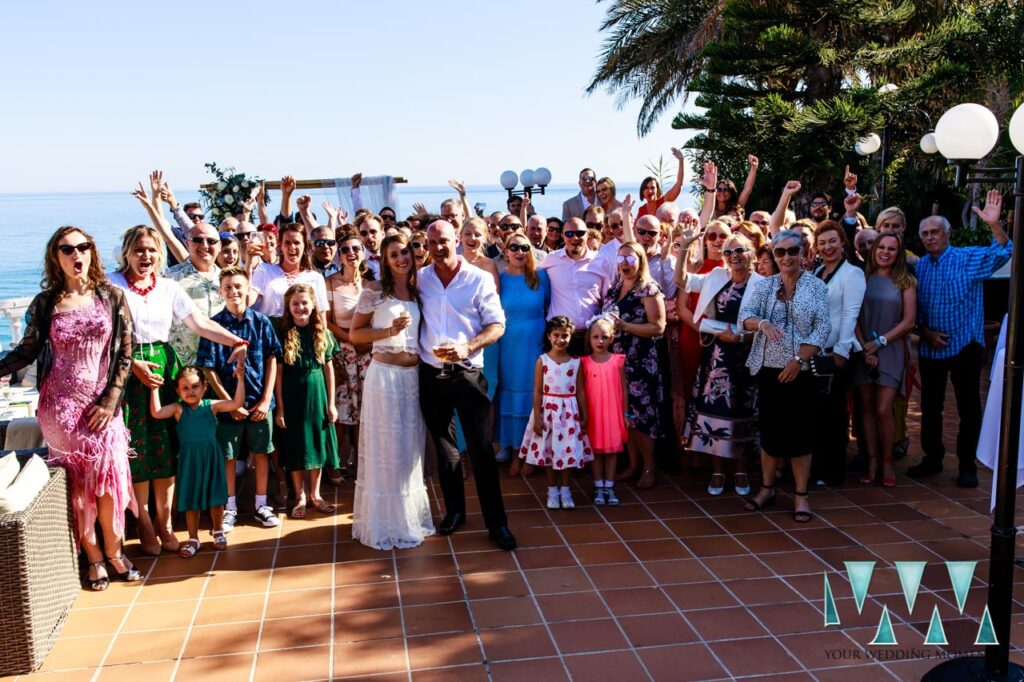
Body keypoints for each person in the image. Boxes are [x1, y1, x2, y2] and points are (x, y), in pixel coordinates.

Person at [0, 226, 140, 590]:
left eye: (83, 247)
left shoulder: (112, 296)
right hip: (60, 408)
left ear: (92, 252)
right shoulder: (45, 304)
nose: (76, 254)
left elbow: (127, 354)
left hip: (102, 407)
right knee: (78, 488)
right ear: (56, 257)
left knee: (109, 481)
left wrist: (110, 401)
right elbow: (25, 352)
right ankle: (93, 559)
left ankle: (114, 551)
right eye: (67, 249)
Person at [111, 225, 248, 556]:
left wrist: (237, 341)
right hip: (127, 368)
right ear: (127, 251)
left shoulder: (169, 288)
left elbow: (199, 323)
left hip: (163, 362)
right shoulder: (112, 285)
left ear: (161, 254)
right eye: (139, 249)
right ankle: (143, 522)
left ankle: (165, 523)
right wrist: (131, 364)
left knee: (167, 447)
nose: (146, 256)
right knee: (136, 450)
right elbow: (106, 334)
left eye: (152, 250)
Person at [418, 219, 515, 550]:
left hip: (467, 373)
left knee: (481, 451)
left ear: (456, 239)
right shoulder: (421, 279)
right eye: (432, 242)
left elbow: (497, 325)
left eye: (444, 240)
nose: (439, 247)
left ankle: (497, 524)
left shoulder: (478, 278)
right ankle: (455, 512)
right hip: (431, 374)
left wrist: (468, 347)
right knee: (445, 449)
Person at [911, 192, 1011, 487]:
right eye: (925, 233)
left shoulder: (968, 258)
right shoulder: (921, 266)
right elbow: (914, 305)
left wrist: (994, 226)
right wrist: (925, 331)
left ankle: (967, 465)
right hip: (932, 347)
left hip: (965, 345)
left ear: (947, 233)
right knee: (930, 407)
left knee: (968, 409)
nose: (930, 237)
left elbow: (1004, 252)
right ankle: (932, 459)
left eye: (935, 232)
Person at [349, 234, 434, 549]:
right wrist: (389, 330)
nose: (402, 259)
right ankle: (384, 523)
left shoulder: (418, 290)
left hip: (412, 378)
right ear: (384, 260)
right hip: (384, 376)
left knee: (408, 450)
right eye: (394, 255)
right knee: (387, 450)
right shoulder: (374, 291)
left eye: (405, 253)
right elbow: (356, 334)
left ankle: (407, 518)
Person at [740, 230, 830, 522]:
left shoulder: (816, 287)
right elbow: (746, 317)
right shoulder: (766, 285)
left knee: (801, 433)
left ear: (803, 253)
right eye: (780, 252)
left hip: (801, 372)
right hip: (768, 370)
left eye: (793, 251)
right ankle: (767, 488)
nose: (787, 257)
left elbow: (823, 329)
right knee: (770, 431)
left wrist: (798, 359)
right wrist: (762, 323)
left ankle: (801, 496)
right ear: (774, 256)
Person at [196, 267, 283, 531]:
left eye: (238, 286)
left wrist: (267, 399)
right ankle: (230, 507)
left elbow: (272, 359)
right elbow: (208, 368)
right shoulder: (213, 325)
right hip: (228, 404)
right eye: (228, 287)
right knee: (229, 456)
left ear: (248, 290)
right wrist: (228, 403)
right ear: (220, 291)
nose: (234, 292)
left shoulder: (261, 322)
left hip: (259, 401)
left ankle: (261, 504)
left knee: (262, 452)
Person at [676, 233, 763, 496]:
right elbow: (682, 281)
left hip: (747, 356)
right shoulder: (716, 276)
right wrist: (683, 249)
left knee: (741, 413)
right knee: (715, 410)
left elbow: (768, 324)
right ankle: (716, 471)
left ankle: (740, 470)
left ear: (752, 253)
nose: (734, 256)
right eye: (728, 252)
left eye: (740, 250)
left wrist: (740, 337)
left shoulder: (762, 285)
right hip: (716, 356)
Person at [150, 365, 245, 557]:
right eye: (185, 388)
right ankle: (193, 538)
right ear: (178, 391)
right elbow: (157, 413)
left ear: (204, 387)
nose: (190, 391)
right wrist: (154, 388)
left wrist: (241, 379)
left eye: (195, 386)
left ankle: (218, 530)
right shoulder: (178, 409)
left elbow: (236, 403)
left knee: (216, 498)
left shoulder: (211, 406)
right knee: (191, 499)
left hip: (211, 458)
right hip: (189, 462)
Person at [852, 234, 917, 487]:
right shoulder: (863, 278)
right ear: (874, 249)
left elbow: (908, 322)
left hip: (890, 349)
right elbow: (853, 314)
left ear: (899, 253)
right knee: (865, 409)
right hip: (863, 348)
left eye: (892, 249)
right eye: (881, 247)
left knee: (883, 409)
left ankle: (888, 460)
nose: (885, 252)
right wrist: (864, 347)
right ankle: (871, 459)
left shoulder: (905, 281)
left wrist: (879, 344)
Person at [604, 241, 667, 489]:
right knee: (625, 417)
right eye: (621, 259)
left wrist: (626, 327)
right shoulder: (615, 287)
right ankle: (632, 465)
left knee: (642, 418)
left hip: (641, 363)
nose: (624, 264)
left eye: (630, 259)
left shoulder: (649, 289)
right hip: (616, 363)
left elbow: (658, 326)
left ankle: (650, 467)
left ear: (640, 261)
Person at [274, 283, 339, 518]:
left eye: (305, 303)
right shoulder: (282, 333)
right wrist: (280, 407)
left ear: (313, 305)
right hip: (292, 395)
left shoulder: (323, 333)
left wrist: (331, 404)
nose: (301, 307)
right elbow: (278, 374)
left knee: (317, 442)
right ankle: (299, 495)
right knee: (296, 444)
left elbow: (329, 370)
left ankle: (316, 494)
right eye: (295, 304)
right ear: (288, 307)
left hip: (318, 394)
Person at [810, 221, 866, 487]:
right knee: (818, 413)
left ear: (842, 242)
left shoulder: (852, 274)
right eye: (822, 243)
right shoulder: (817, 271)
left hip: (838, 353)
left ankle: (833, 471)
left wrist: (841, 352)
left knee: (835, 413)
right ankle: (818, 466)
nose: (827, 247)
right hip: (816, 351)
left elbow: (849, 314)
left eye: (832, 241)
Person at [518, 317, 592, 509]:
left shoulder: (576, 363)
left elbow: (581, 391)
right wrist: (537, 417)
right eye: (556, 335)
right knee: (549, 451)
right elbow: (537, 390)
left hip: (568, 413)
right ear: (549, 336)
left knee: (566, 450)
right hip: (548, 412)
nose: (560, 339)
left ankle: (566, 489)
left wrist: (585, 415)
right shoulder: (542, 361)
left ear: (571, 337)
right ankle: (552, 490)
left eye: (565, 336)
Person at [497, 232, 551, 473]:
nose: (520, 252)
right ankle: (515, 450)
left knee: (534, 396)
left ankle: (530, 454)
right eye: (514, 247)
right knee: (511, 396)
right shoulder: (499, 279)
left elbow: (550, 306)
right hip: (508, 346)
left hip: (534, 346)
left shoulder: (541, 277)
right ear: (505, 251)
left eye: (524, 247)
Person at [324, 230, 374, 482]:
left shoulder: (371, 283)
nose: (351, 254)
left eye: (356, 249)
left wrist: (366, 340)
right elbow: (327, 321)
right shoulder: (330, 283)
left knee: (366, 410)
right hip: (344, 352)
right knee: (342, 411)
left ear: (363, 253)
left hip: (368, 353)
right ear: (338, 255)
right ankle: (337, 462)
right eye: (345, 250)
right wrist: (351, 338)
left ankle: (362, 463)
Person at [539, 217, 614, 356]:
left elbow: (607, 300)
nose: (575, 238)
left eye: (580, 233)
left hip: (590, 338)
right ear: (562, 236)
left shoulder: (601, 262)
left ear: (587, 235)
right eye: (569, 234)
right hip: (559, 338)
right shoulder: (550, 260)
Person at [581, 316, 628, 505]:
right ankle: (598, 486)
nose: (600, 341)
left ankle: (610, 486)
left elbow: (624, 389)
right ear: (589, 338)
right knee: (596, 452)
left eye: (604, 337)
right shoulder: (583, 362)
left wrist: (625, 414)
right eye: (596, 337)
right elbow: (581, 391)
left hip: (612, 414)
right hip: (594, 415)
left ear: (612, 338)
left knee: (611, 452)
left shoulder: (618, 360)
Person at [167, 221, 224, 366]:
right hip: (183, 367)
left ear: (220, 246)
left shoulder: (229, 279)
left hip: (222, 364)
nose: (205, 245)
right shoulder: (170, 278)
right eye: (198, 240)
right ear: (187, 244)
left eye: (211, 241)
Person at [251, 223, 329, 323]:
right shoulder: (264, 270)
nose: (292, 247)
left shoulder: (316, 278)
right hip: (270, 334)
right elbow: (248, 302)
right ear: (280, 246)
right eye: (287, 243)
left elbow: (321, 319)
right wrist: (249, 261)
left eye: (297, 243)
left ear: (305, 246)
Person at [637, 148, 687, 218]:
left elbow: (679, 184)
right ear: (642, 191)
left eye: (652, 188)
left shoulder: (664, 202)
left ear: (657, 189)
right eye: (646, 188)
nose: (650, 191)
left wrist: (681, 161)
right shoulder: (641, 210)